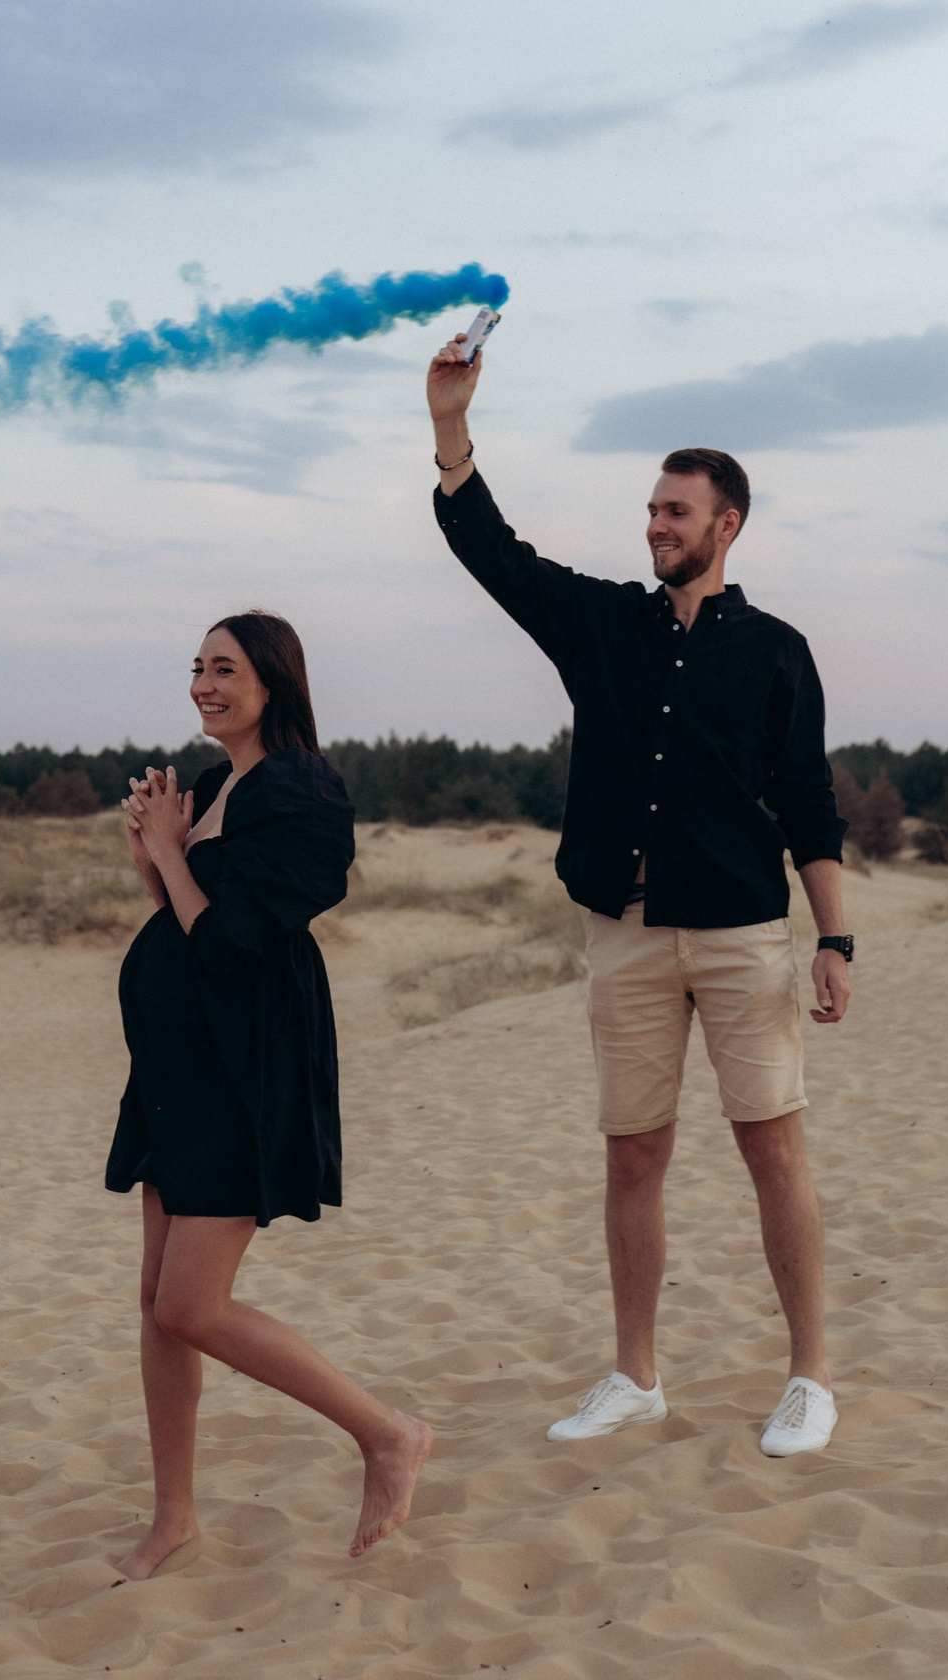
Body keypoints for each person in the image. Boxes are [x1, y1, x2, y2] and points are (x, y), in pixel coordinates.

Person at [425, 333, 854, 1458]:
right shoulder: (605, 626)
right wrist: (452, 429)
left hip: (744, 935)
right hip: (623, 935)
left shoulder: (777, 652)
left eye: (677, 511)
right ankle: (635, 1377)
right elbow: (496, 556)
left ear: (727, 525)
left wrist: (835, 938)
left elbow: (808, 803)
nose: (657, 525)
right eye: (652, 510)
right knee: (631, 1156)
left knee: (774, 1152)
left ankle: (810, 1378)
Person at [104, 611, 434, 1574]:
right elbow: (187, 921)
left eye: (225, 668)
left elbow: (232, 945)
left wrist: (172, 853)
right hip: (176, 1067)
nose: (204, 685)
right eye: (197, 667)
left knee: (190, 1304)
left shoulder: (300, 790)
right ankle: (174, 1515)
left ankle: (386, 1433)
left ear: (273, 682)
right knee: (155, 1298)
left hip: (240, 1069)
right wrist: (153, 860)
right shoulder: (215, 786)